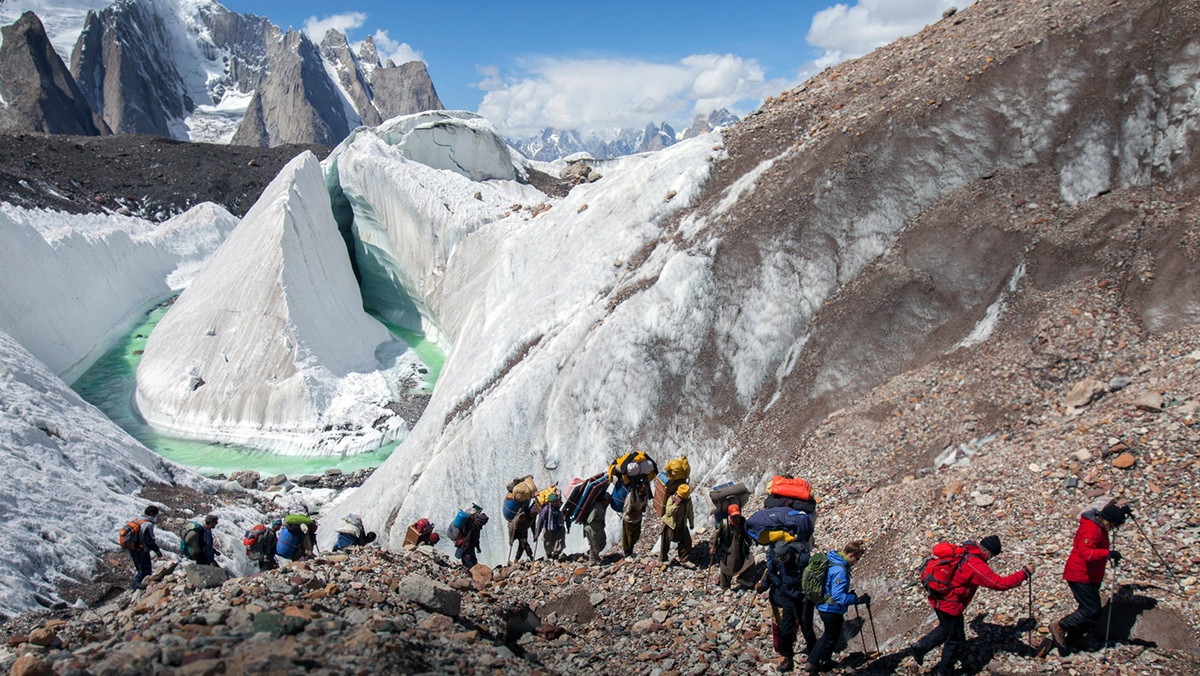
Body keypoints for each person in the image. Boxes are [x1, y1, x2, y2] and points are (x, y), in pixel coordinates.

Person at [909, 535, 1033, 675]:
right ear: (988, 552)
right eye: (992, 556)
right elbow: (999, 583)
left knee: (946, 628)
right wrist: (1024, 573)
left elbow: (975, 624)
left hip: (938, 597)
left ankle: (921, 647)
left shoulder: (965, 549)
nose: (990, 559)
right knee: (956, 640)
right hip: (951, 605)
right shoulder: (976, 564)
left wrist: (979, 620)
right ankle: (945, 671)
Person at [1050, 502, 1129, 649]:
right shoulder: (1091, 529)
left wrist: (1121, 512)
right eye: (1115, 525)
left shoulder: (1099, 525)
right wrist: (1107, 554)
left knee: (1090, 609)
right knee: (1091, 610)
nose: (1114, 529)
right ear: (1108, 521)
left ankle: (1075, 638)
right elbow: (1084, 553)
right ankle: (1060, 626)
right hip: (1080, 574)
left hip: (1091, 574)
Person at [808, 540, 868, 674]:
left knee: (829, 635)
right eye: (857, 558)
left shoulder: (832, 559)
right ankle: (816, 662)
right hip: (831, 608)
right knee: (830, 636)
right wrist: (855, 599)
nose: (856, 561)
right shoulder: (840, 569)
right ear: (851, 554)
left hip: (823, 605)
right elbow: (838, 597)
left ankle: (821, 661)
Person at [757, 541, 810, 673]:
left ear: (789, 554)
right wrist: (763, 586)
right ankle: (788, 658)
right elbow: (771, 573)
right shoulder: (776, 560)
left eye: (784, 558)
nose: (783, 561)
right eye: (780, 559)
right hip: (787, 598)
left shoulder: (802, 559)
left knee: (807, 628)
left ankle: (814, 657)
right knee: (785, 630)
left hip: (803, 598)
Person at [714, 504, 757, 589]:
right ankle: (725, 586)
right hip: (727, 549)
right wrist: (712, 546)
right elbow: (715, 536)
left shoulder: (742, 521)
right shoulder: (723, 523)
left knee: (750, 562)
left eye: (738, 516)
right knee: (727, 568)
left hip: (741, 548)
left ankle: (742, 578)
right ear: (730, 515)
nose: (736, 518)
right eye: (734, 516)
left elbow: (745, 533)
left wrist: (749, 541)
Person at [124, 505, 163, 588]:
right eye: (155, 514)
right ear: (152, 514)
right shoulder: (148, 524)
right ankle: (137, 588)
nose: (155, 517)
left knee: (140, 569)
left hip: (133, 548)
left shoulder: (138, 520)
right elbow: (149, 541)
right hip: (142, 550)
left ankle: (138, 588)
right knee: (145, 570)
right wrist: (157, 551)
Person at [660, 483, 694, 564]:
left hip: (681, 524)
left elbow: (690, 512)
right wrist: (676, 504)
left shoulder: (688, 501)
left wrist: (691, 523)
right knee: (665, 541)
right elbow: (668, 513)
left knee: (686, 541)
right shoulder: (671, 499)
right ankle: (664, 559)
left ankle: (684, 559)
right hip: (670, 524)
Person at [620, 481, 650, 557]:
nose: (646, 488)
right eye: (644, 487)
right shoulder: (631, 496)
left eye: (646, 487)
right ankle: (627, 552)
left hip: (637, 519)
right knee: (628, 538)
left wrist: (641, 510)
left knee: (635, 536)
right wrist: (635, 512)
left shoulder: (645, 495)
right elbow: (627, 509)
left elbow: (645, 505)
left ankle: (631, 550)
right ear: (640, 487)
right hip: (629, 519)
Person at [535, 492, 567, 561]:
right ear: (550, 502)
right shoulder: (546, 509)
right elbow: (541, 520)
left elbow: (566, 515)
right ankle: (548, 555)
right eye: (553, 502)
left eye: (556, 501)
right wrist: (537, 533)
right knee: (548, 544)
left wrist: (568, 525)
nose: (555, 503)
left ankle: (556, 555)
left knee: (559, 543)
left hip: (559, 527)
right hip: (548, 528)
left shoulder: (561, 506)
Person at [583, 491, 611, 563]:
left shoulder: (603, 506)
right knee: (594, 545)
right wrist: (600, 524)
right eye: (608, 501)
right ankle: (592, 562)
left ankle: (594, 555)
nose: (609, 503)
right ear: (604, 500)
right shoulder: (596, 507)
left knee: (602, 543)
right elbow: (590, 520)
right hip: (591, 528)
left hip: (598, 528)